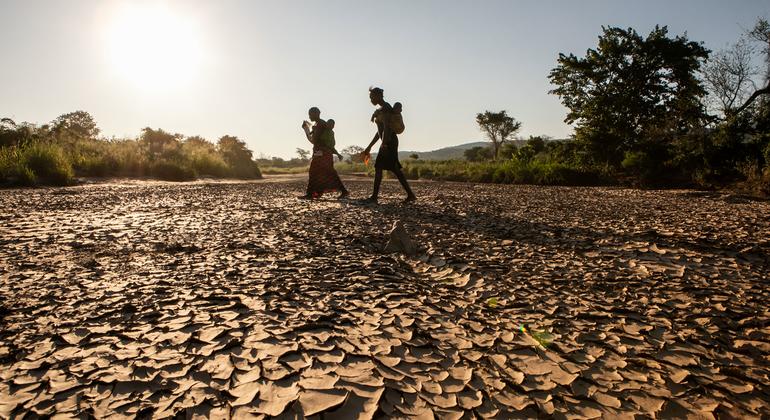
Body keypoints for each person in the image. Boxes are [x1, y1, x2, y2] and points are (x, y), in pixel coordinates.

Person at [362, 87, 416, 204]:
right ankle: (410, 195)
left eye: (372, 97)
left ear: (379, 96)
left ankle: (374, 198)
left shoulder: (386, 108)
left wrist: (385, 144)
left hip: (389, 141)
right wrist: (370, 146)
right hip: (387, 141)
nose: (371, 99)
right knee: (394, 169)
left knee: (379, 168)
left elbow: (386, 127)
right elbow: (379, 131)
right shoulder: (381, 109)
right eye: (370, 97)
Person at [299, 107, 348, 199]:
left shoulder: (319, 125)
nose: (309, 116)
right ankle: (319, 192)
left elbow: (314, 140)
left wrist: (306, 129)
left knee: (314, 172)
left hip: (321, 154)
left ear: (316, 114)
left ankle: (311, 194)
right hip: (325, 153)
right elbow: (326, 142)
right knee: (327, 172)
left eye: (310, 114)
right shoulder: (322, 124)